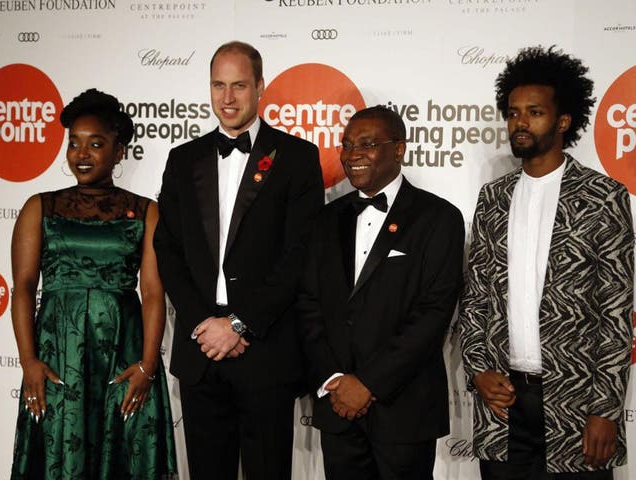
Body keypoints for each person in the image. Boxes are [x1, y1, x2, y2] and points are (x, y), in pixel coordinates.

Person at [459, 46, 634, 479]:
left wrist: (606, 409)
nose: (520, 122)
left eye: (534, 112)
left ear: (562, 121)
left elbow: (615, 313)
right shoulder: (493, 198)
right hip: (502, 406)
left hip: (576, 405)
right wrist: (478, 369)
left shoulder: (602, 197)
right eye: (514, 112)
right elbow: (476, 297)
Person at [153, 40, 324, 480]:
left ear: (260, 87)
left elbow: (300, 255)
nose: (227, 98)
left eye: (239, 86)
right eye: (218, 85)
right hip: (200, 349)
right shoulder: (181, 159)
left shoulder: (298, 158)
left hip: (264, 351)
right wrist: (202, 324)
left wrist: (238, 323)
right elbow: (167, 248)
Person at [10, 89, 177, 479]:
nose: (81, 154)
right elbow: (22, 287)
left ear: (119, 152)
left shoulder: (146, 211)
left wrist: (148, 366)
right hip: (57, 358)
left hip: (121, 356)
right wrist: (29, 362)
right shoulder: (41, 206)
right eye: (74, 144)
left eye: (95, 144)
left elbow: (153, 294)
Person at [297, 106, 464, 479]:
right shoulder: (325, 220)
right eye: (347, 144)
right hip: (337, 407)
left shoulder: (438, 218)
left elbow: (434, 314)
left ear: (399, 149)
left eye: (367, 144)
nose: (352, 154)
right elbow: (308, 305)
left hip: (403, 409)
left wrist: (368, 384)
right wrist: (333, 381)